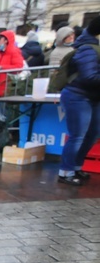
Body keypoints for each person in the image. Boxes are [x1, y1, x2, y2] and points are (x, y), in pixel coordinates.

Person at [57, 16, 100, 186]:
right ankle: (66, 171)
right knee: (78, 135)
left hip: (92, 96)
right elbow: (89, 76)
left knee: (92, 134)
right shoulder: (88, 49)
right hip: (78, 95)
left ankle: (75, 166)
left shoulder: (92, 47)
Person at [0, 30, 24, 98]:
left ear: (6, 40)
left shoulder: (14, 52)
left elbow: (19, 67)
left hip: (5, 91)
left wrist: (1, 67)